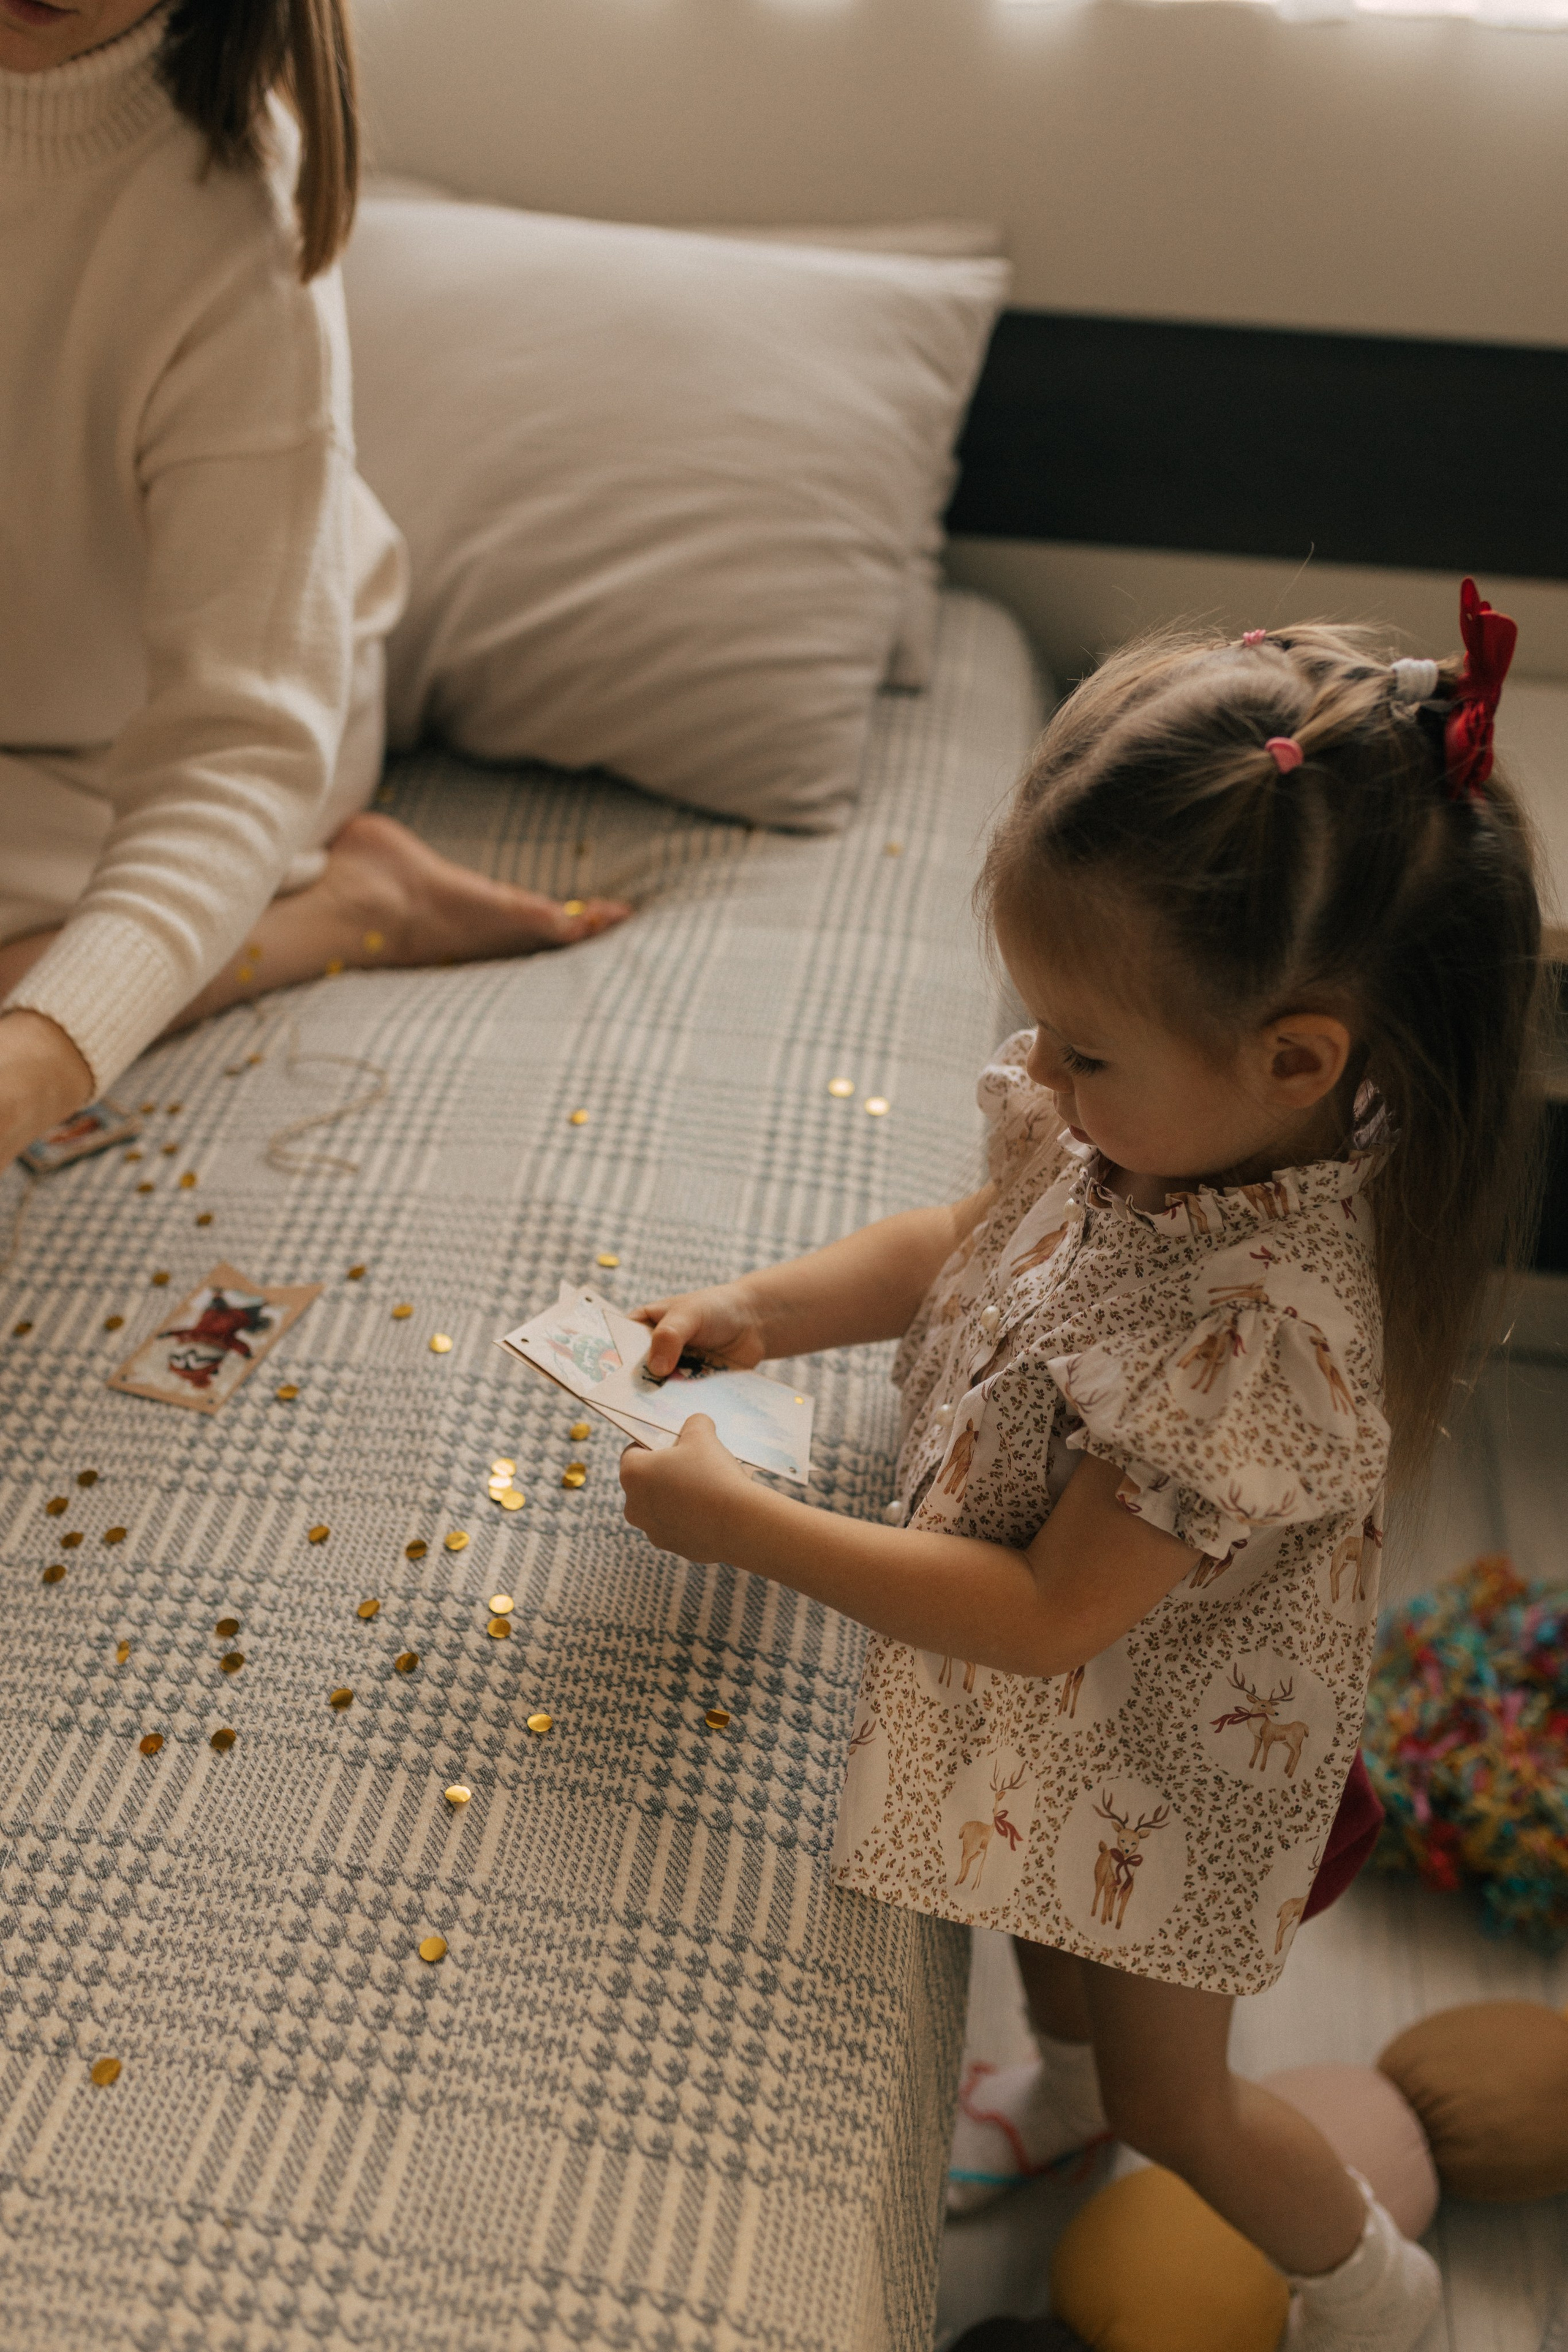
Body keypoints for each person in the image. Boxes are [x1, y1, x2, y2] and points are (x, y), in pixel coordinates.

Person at [617, 585, 1541, 2350]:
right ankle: (1058, 2095)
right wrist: (763, 1308)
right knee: (1038, 1921)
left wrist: (754, 1528)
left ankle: (1377, 2294)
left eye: (1083, 1046)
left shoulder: (1258, 1325)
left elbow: (1050, 1615)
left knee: (1186, 2102)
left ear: (1295, 1063)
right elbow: (968, 1239)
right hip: (1072, 1733)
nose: (1039, 1068)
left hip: (1174, 1754)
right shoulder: (1133, 1121)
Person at [0, 0, 627, 1175]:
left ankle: (347, 909)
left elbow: (231, 755)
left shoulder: (236, 231)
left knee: (77, 983)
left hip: (209, 737)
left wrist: (30, 1073)